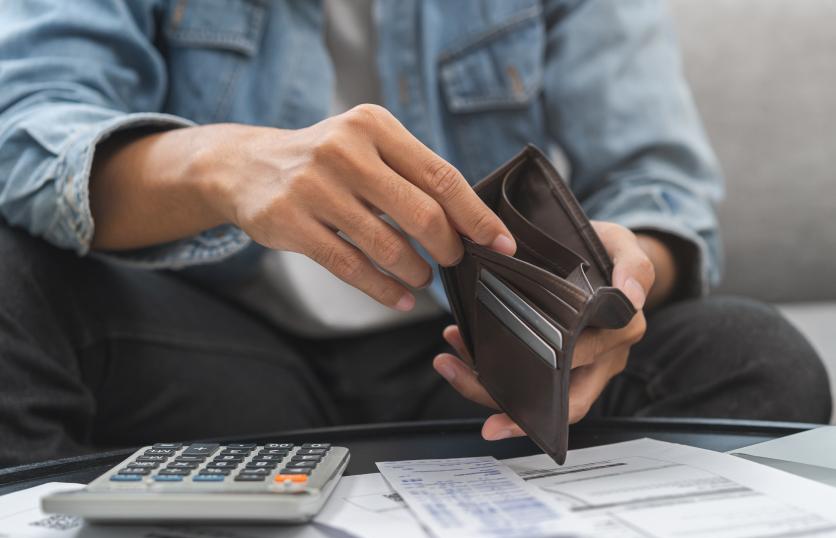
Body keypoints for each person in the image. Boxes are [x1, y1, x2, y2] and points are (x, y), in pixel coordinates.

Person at [0, 0, 829, 467]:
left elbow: (660, 183)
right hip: (209, 352)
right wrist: (221, 163)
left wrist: (625, 272)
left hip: (471, 372)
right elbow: (26, 129)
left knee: (750, 356)